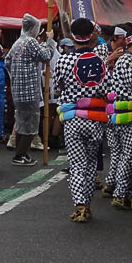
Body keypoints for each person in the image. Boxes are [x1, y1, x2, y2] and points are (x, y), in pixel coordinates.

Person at [54, 18, 112, 223]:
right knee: (90, 163)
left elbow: (58, 86)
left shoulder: (63, 60)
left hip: (73, 118)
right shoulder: (101, 61)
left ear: (72, 36)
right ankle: (86, 203)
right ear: (91, 36)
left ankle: (80, 205)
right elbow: (107, 89)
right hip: (95, 117)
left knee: (77, 163)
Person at [106, 26, 132, 210]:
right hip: (125, 114)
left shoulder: (126, 59)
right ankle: (121, 194)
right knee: (130, 155)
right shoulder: (128, 60)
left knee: (121, 153)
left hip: (118, 113)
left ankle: (113, 185)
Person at [5, 14, 53, 165]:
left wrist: (16, 75)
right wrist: (50, 41)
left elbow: (7, 61)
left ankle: (20, 154)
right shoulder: (30, 41)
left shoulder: (17, 42)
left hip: (18, 90)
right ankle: (21, 155)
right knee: (31, 124)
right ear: (33, 28)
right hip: (30, 90)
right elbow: (46, 56)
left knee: (21, 123)